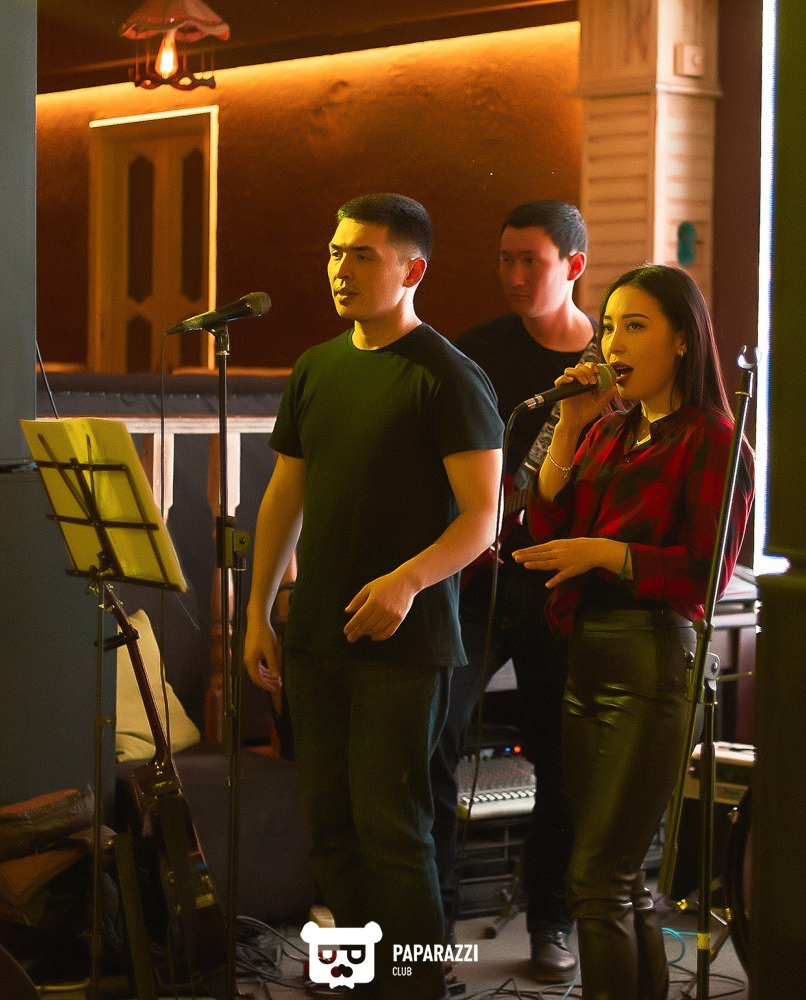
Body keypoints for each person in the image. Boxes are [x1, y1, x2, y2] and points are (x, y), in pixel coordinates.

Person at [243, 193, 503, 1000]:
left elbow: (484, 518)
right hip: (317, 636)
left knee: (394, 833)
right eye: (335, 251)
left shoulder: (447, 375)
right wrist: (257, 610)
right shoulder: (317, 367)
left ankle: (415, 989)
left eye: (362, 254)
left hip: (405, 646)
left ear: (411, 270)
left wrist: (407, 580)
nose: (340, 268)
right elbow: (285, 495)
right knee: (330, 829)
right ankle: (358, 984)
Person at [511, 264, 753, 1000]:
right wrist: (569, 428)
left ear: (682, 340)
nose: (614, 344)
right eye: (609, 326)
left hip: (652, 660)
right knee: (616, 877)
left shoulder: (714, 439)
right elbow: (543, 521)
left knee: (599, 877)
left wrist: (605, 554)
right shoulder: (608, 428)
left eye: (635, 327)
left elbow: (704, 576)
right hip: (586, 656)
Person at [428, 200, 597, 981]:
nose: (515, 275)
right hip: (477, 579)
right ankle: (431, 924)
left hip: (561, 581)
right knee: (434, 734)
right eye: (505, 259)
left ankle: (550, 919)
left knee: (560, 758)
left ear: (573, 266)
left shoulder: (608, 362)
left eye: (532, 260)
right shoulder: (477, 351)